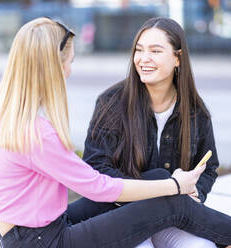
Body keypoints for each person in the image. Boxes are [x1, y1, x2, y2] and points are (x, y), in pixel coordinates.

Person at [0, 17, 231, 248]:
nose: (70, 71)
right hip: (45, 241)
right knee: (170, 196)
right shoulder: (36, 132)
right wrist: (173, 186)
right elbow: (98, 186)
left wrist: (171, 184)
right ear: (51, 66)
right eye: (68, 62)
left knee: (159, 177)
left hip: (26, 234)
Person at [75, 16, 216, 248]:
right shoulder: (111, 103)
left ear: (177, 58)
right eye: (139, 50)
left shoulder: (195, 111)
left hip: (171, 215)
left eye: (155, 51)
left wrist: (196, 192)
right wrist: (158, 187)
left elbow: (209, 166)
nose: (144, 58)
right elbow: (96, 169)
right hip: (120, 216)